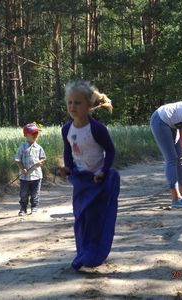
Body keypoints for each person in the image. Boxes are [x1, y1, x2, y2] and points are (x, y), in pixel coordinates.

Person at [60, 80, 120, 270]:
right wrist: (68, 167)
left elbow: (110, 151)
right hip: (80, 181)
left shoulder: (97, 129)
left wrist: (102, 171)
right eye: (69, 102)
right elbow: (68, 151)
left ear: (89, 105)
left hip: (99, 181)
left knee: (96, 218)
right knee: (81, 218)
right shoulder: (66, 129)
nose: (72, 106)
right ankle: (84, 253)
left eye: (77, 103)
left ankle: (95, 253)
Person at [15, 123, 46, 216]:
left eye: (36, 133)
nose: (35, 135)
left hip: (37, 176)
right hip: (25, 177)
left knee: (35, 193)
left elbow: (43, 158)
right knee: (24, 194)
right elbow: (17, 160)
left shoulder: (39, 147)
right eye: (33, 133)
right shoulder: (22, 147)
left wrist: (40, 163)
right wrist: (22, 168)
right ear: (25, 135)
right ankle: (23, 208)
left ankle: (34, 207)